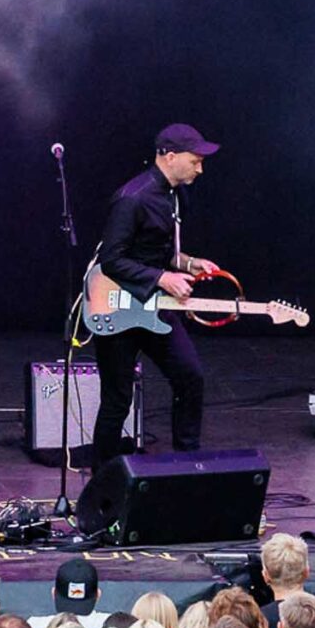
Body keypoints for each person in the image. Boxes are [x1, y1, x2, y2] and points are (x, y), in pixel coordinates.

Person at [86, 124, 222, 466]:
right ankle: (103, 482)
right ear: (170, 156)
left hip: (154, 307)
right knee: (117, 400)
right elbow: (112, 260)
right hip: (117, 307)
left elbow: (159, 251)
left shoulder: (178, 195)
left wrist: (188, 263)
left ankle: (188, 466)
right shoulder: (133, 198)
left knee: (190, 377)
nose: (200, 169)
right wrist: (162, 277)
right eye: (195, 161)